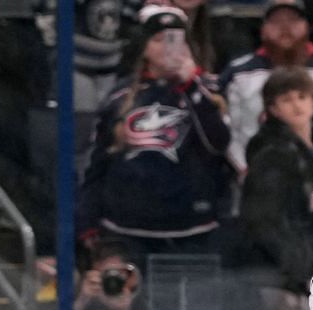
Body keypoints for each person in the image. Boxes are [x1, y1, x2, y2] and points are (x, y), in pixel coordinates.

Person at [78, 6, 232, 262]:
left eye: (175, 40)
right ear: (144, 48)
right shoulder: (120, 95)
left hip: (192, 229)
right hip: (127, 230)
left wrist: (191, 86)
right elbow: (97, 164)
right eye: (158, 40)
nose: (167, 48)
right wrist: (87, 221)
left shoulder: (208, 90)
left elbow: (218, 144)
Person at [229, 66, 313, 310]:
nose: (297, 106)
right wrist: (302, 273)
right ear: (273, 108)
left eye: (302, 97)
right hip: (283, 280)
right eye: (287, 100)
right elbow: (266, 222)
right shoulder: (272, 156)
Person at [222, 0, 313, 174]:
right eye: (276, 21)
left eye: (293, 20)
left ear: (307, 26)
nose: (285, 27)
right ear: (263, 30)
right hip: (262, 180)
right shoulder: (238, 75)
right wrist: (245, 170)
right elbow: (227, 129)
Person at [71, 237, 146, 310]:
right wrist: (83, 300)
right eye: (107, 273)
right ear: (95, 271)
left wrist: (125, 309)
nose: (112, 280)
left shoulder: (134, 292)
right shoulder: (83, 289)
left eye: (117, 272)